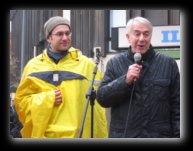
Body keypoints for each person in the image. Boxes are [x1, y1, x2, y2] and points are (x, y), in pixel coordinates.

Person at [14, 16, 108, 138]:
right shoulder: (33, 66)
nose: (65, 38)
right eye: (59, 34)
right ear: (49, 38)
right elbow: (21, 104)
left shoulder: (87, 65)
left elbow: (97, 109)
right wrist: (48, 98)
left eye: (67, 33)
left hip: (77, 136)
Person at [96, 16, 180, 138]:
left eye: (146, 34)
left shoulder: (168, 64)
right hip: (125, 136)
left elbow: (177, 106)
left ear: (151, 37)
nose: (142, 39)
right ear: (128, 37)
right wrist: (125, 81)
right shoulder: (115, 63)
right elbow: (102, 98)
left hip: (159, 136)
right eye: (137, 34)